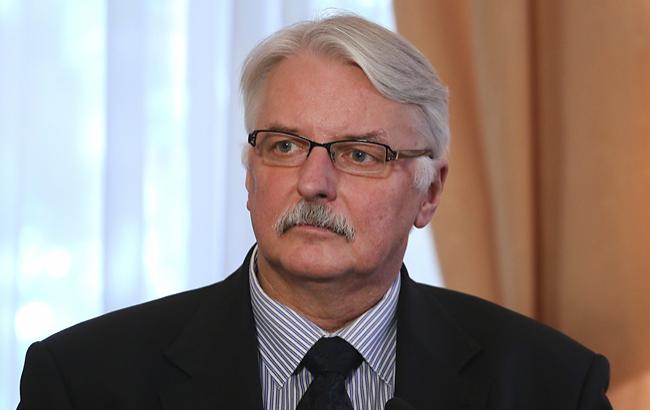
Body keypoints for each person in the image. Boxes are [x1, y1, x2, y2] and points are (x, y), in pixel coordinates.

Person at [18, 14, 611, 410]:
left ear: (430, 192)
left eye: (360, 154)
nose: (313, 182)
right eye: (284, 146)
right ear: (250, 174)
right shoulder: (82, 382)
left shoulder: (553, 387)